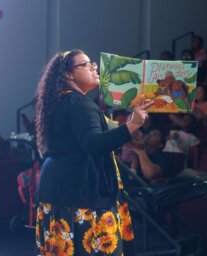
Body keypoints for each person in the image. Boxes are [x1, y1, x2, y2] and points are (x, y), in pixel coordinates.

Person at [34, 49, 150, 255]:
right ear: (69, 74)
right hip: (78, 191)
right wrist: (132, 127)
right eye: (86, 64)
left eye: (94, 63)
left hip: (59, 188)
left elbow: (100, 129)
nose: (94, 67)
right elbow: (94, 144)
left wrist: (130, 121)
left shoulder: (63, 101)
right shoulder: (79, 104)